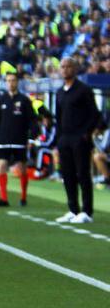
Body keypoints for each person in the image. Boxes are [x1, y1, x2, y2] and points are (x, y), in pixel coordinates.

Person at [55, 58, 101, 223]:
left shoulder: (84, 90)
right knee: (67, 175)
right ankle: (73, 209)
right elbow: (58, 118)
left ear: (75, 69)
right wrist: (58, 140)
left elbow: (95, 114)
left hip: (79, 138)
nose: (65, 69)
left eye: (69, 66)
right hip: (64, 138)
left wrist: (85, 134)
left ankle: (87, 212)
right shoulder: (59, 92)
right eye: (63, 67)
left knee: (83, 174)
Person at [0, 73, 37, 207]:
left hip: (19, 140)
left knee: (23, 169)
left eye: (13, 80)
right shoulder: (1, 100)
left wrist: (31, 138)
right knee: (1, 166)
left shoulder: (24, 100)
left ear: (17, 82)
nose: (11, 83)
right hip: (3, 141)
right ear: (6, 83)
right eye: (8, 81)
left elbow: (32, 121)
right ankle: (3, 198)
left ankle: (23, 197)